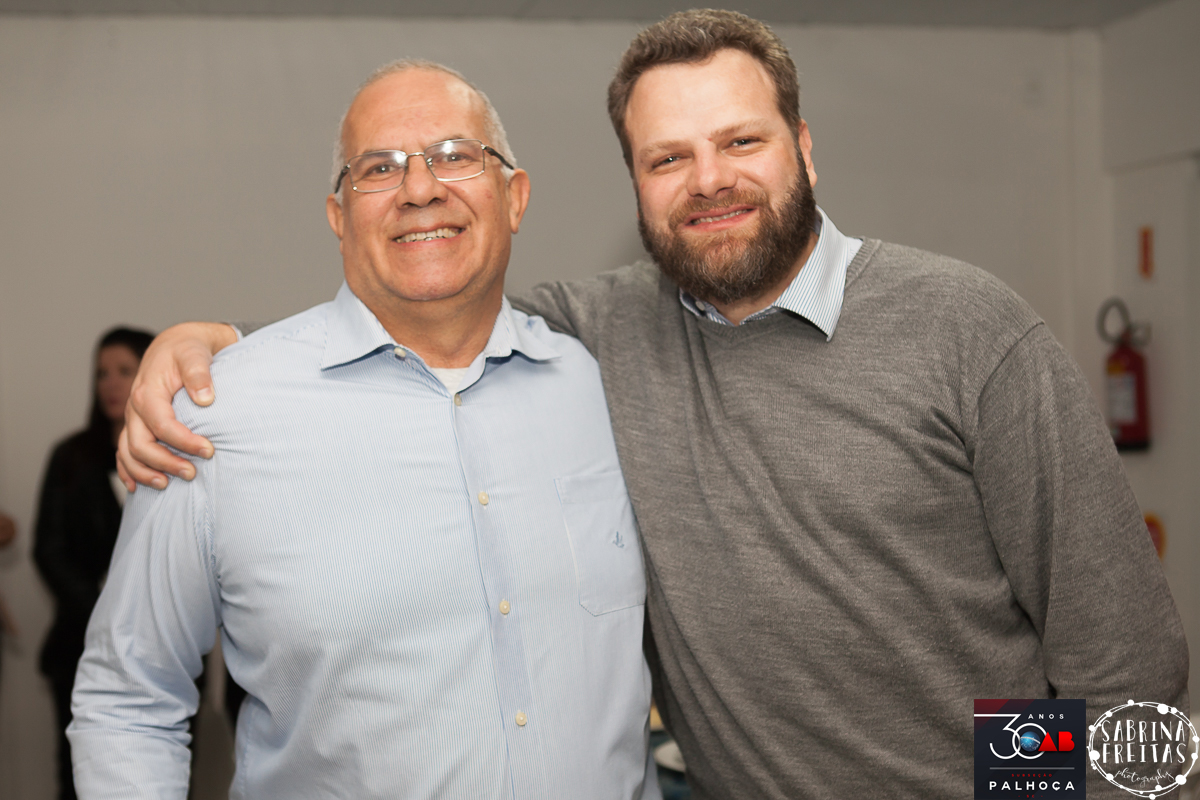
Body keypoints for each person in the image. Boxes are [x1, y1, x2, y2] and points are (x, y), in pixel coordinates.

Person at [118, 11, 1188, 799]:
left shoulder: (969, 331)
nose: (708, 180)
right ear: (635, 184)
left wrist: (984, 781)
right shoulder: (602, 333)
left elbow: (1136, 687)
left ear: (805, 148)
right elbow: (427, 294)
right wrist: (206, 343)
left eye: (742, 141)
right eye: (667, 157)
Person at [70, 61, 658, 800]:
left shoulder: (602, 388)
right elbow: (129, 696)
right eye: (379, 168)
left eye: (455, 155)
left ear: (514, 197)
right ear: (339, 216)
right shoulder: (217, 414)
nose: (420, 189)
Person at [33, 326, 154, 800]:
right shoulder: (71, 457)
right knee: (80, 780)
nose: (111, 383)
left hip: (163, 654)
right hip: (81, 648)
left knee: (160, 777)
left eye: (124, 370)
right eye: (102, 372)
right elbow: (48, 550)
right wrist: (107, 612)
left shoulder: (178, 454)